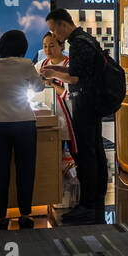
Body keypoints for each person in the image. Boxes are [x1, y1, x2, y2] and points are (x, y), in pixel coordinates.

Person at [41, 8, 111, 225]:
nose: (53, 36)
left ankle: (88, 205)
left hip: (85, 105)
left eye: (53, 30)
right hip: (92, 105)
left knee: (86, 156)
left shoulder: (78, 43)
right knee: (94, 153)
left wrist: (52, 74)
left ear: (63, 25)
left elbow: (75, 78)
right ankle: (95, 202)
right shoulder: (86, 39)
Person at [0, 30, 44, 230]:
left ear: (1, 46)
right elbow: (39, 88)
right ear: (23, 47)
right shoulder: (27, 65)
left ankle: (1, 217)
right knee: (26, 171)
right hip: (24, 122)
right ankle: (25, 215)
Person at [39, 30, 78, 183]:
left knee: (76, 154)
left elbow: (68, 94)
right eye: (45, 46)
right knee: (54, 155)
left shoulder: (70, 65)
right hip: (51, 118)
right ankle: (56, 190)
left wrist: (51, 84)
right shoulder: (42, 64)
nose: (48, 50)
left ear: (61, 46)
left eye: (52, 46)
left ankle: (79, 191)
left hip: (70, 117)